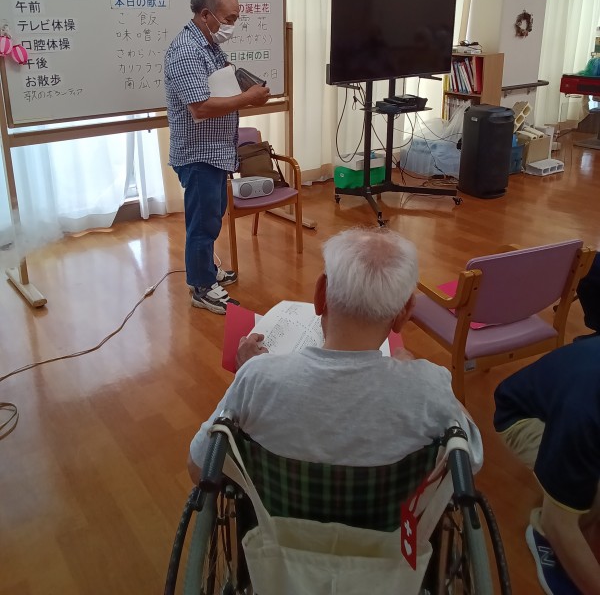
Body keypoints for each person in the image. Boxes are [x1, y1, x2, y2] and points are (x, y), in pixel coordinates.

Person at [188, 227, 482, 481]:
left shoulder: (256, 376)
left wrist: (254, 368)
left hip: (275, 530)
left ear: (320, 295)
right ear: (404, 314)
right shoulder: (429, 387)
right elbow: (471, 459)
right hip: (391, 530)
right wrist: (419, 375)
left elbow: (198, 467)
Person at [164, 0, 270, 314]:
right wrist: (247, 98)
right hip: (199, 153)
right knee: (202, 223)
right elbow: (200, 107)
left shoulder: (208, 46)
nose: (232, 26)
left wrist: (246, 89)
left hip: (215, 150)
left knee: (212, 216)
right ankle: (201, 287)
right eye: (229, 19)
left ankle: (206, 271)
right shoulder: (186, 51)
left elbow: (220, 86)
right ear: (206, 14)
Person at [494, 341, 600, 595]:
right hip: (521, 417)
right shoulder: (582, 413)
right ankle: (543, 536)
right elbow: (559, 523)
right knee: (590, 495)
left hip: (566, 398)